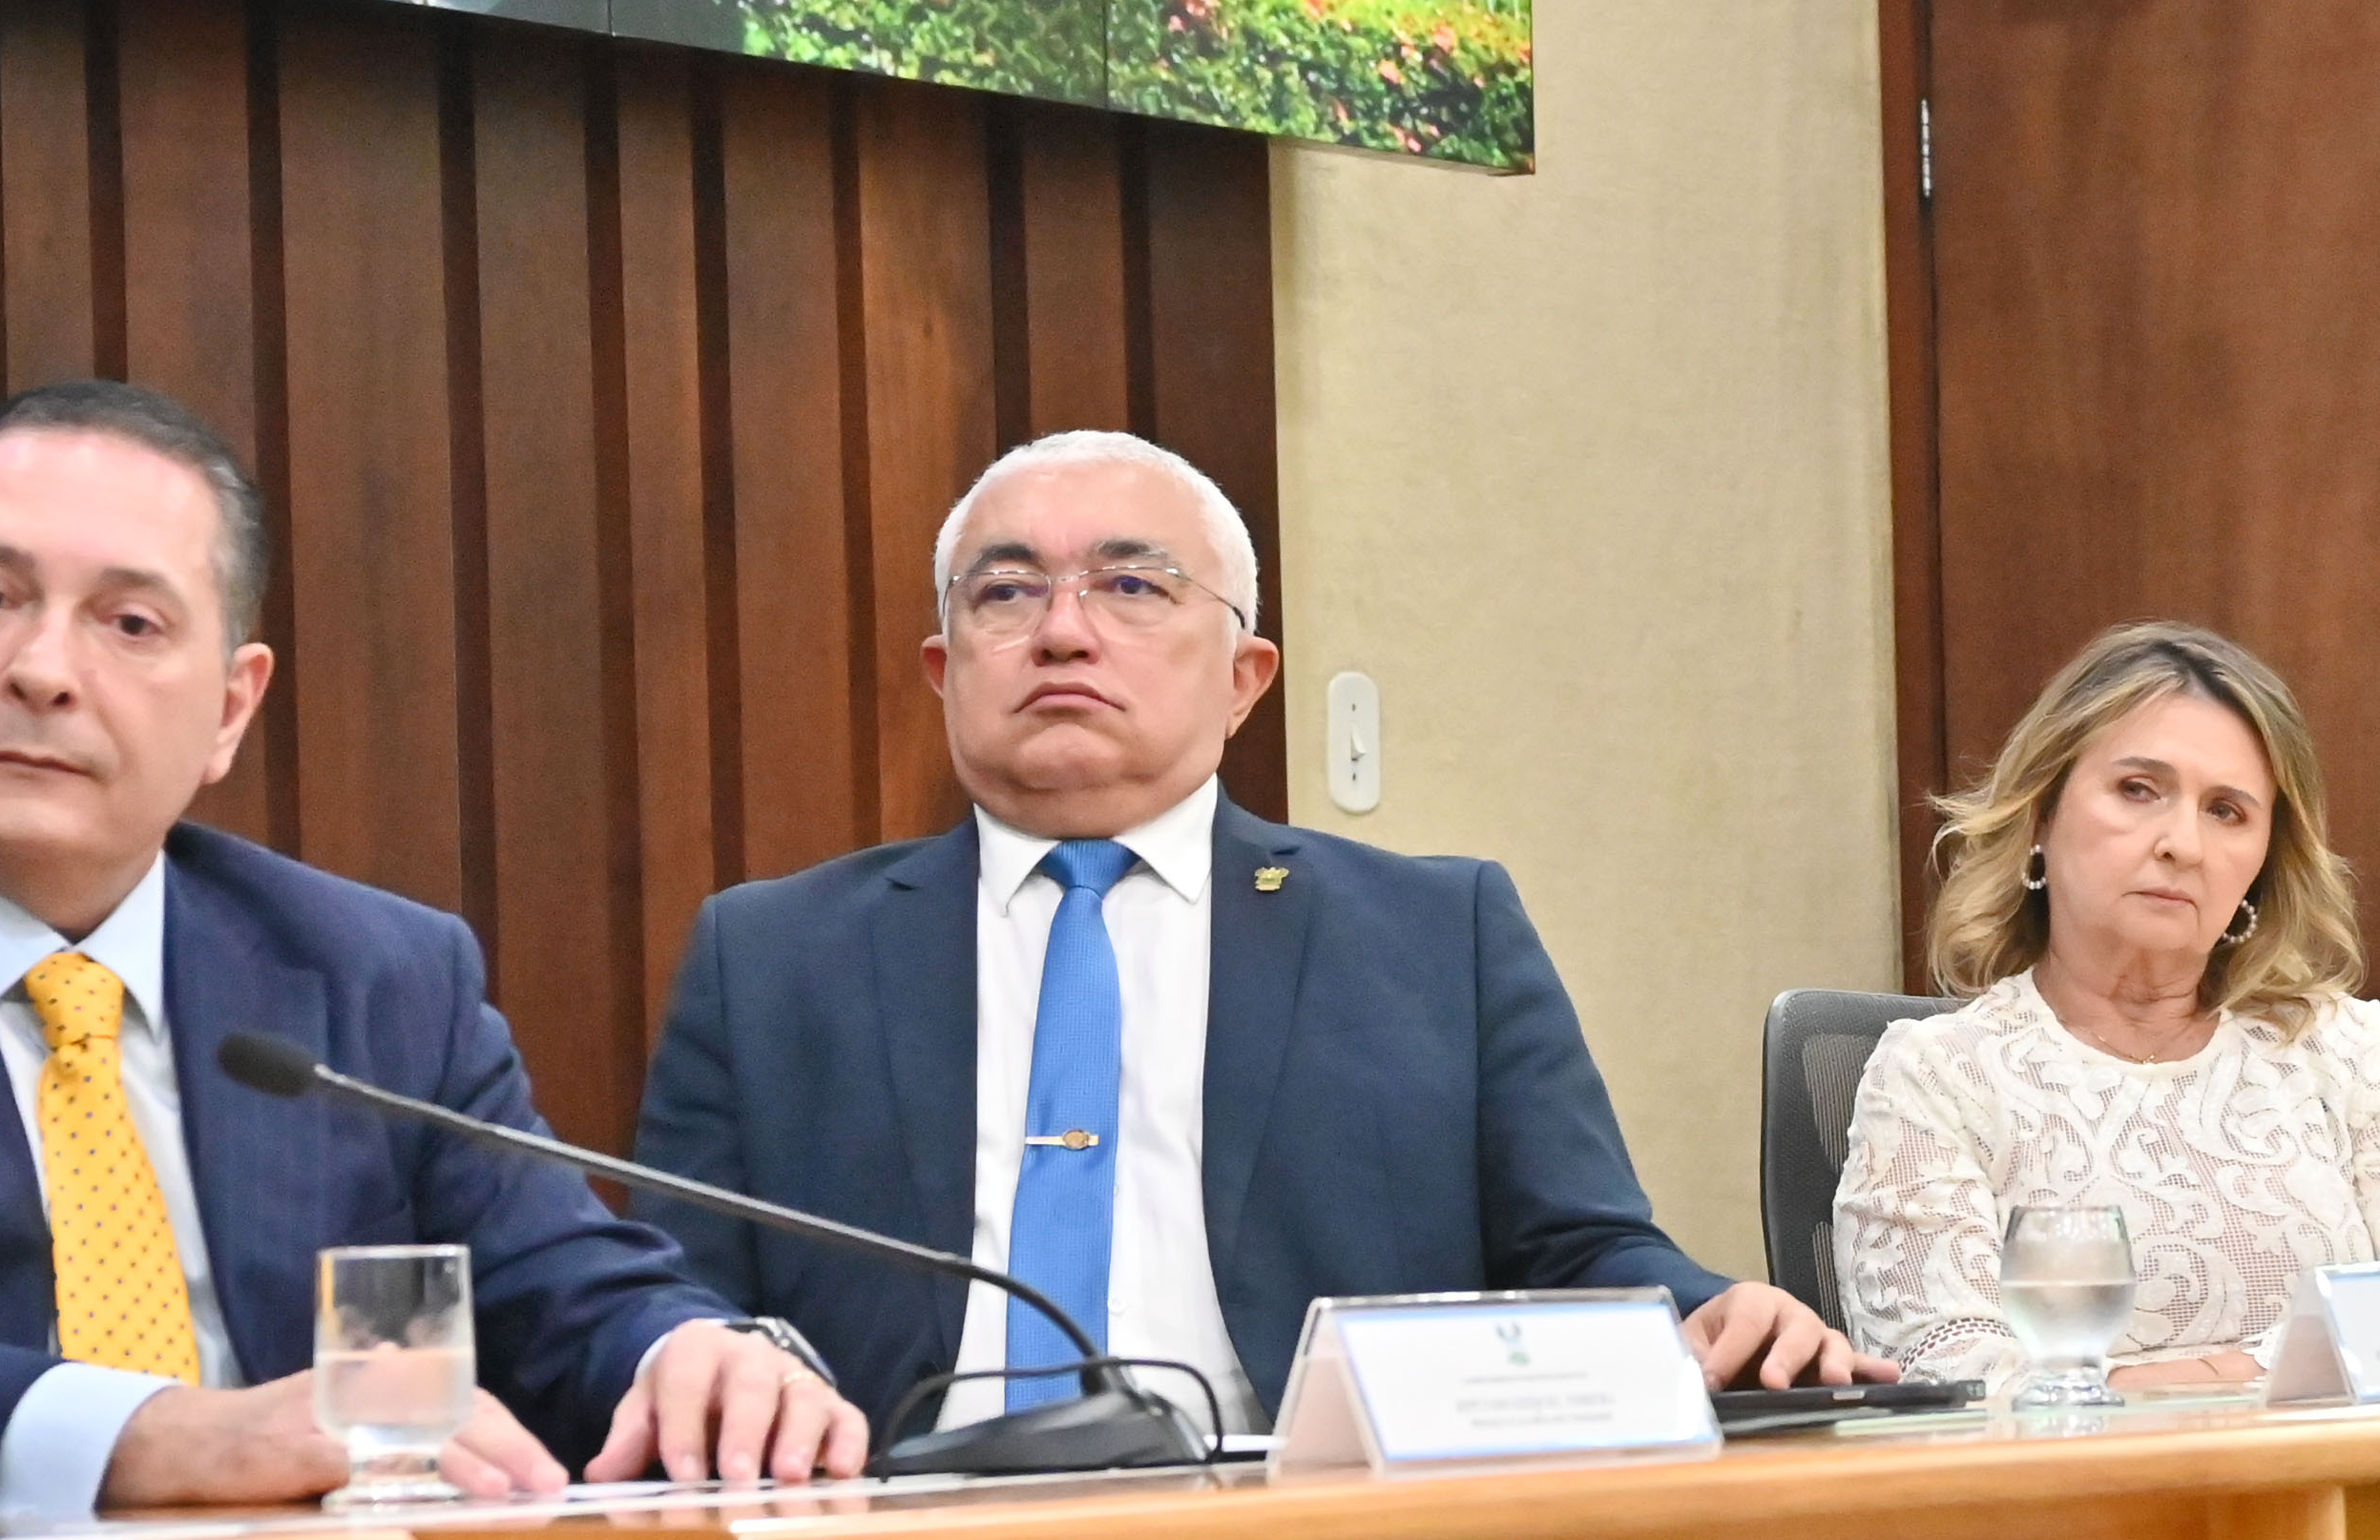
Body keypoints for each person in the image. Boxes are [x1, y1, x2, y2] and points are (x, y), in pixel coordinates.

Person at [0, 382, 862, 1523]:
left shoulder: (369, 978)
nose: (41, 669)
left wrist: (689, 1355)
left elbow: (556, 1291)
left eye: (130, 624)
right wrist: (161, 1436)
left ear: (229, 708)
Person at [632, 427, 1872, 1435]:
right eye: (1005, 591)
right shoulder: (771, 958)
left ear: (1244, 678)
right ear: (943, 670)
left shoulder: (1436, 935)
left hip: (1309, 1537)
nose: (1062, 630)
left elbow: (1580, 1248)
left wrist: (1708, 1312)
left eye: (1131, 585)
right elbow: (678, 1302)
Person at [1834, 621, 2380, 1386]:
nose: (2183, 844)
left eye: (2227, 811)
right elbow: (1953, 1376)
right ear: (2042, 813)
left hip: (2347, 1464)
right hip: (2077, 1469)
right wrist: (2270, 1373)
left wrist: (2161, 1383)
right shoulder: (1938, 1075)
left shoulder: (2343, 1049)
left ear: (2263, 864)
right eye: (2138, 790)